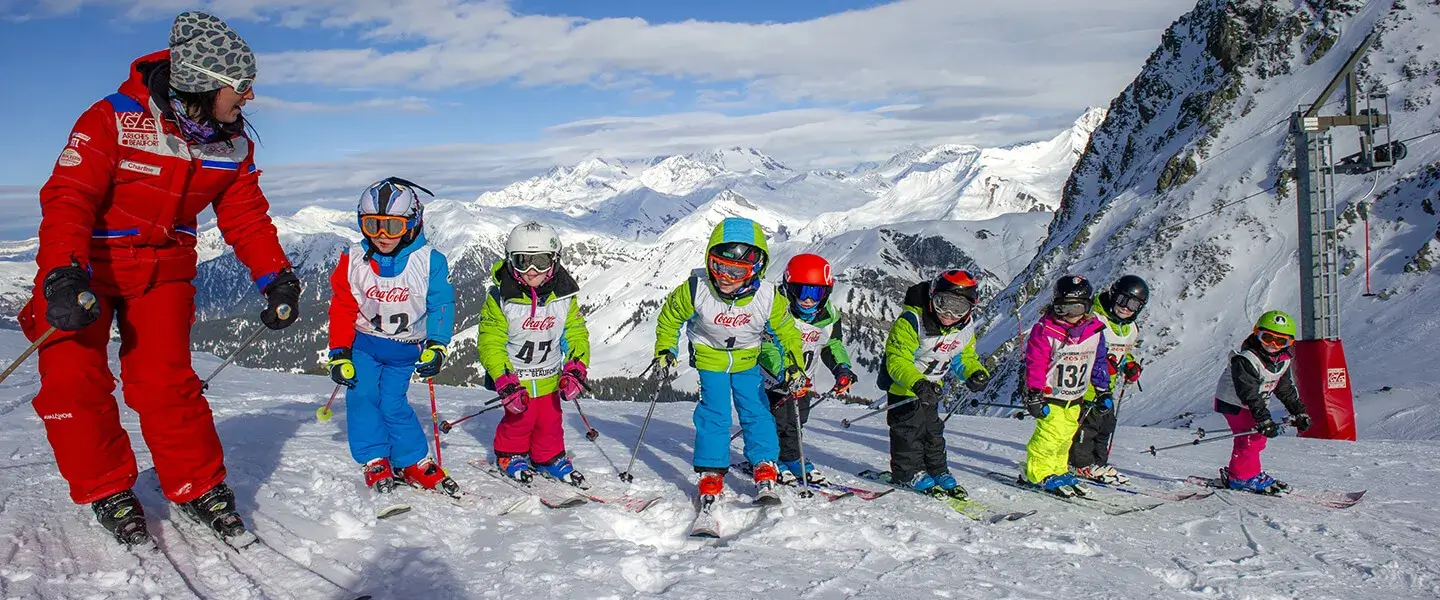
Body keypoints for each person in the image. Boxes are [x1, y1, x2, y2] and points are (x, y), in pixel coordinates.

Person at [17, 11, 299, 548]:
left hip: (162, 272)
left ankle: (197, 484)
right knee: (71, 379)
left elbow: (244, 217)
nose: (251, 97)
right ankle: (105, 485)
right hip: (86, 268)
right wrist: (60, 274)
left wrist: (275, 276)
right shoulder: (113, 119)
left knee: (165, 380)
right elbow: (69, 198)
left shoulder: (231, 143)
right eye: (240, 86)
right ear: (201, 85)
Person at [653, 217, 805, 504]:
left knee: (756, 409)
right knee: (715, 412)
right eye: (719, 267)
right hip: (710, 358)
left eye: (737, 271)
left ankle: (764, 463)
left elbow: (787, 332)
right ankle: (711, 469)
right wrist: (665, 350)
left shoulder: (767, 297)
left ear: (756, 269)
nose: (725, 277)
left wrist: (793, 364)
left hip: (748, 359)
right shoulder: (696, 289)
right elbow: (670, 318)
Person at [327, 177, 458, 501]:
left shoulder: (428, 261)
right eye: (373, 225)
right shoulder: (353, 259)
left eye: (393, 227)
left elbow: (440, 303)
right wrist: (340, 352)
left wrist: (437, 344)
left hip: (404, 349)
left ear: (412, 224)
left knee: (393, 402)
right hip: (365, 345)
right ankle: (374, 457)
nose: (383, 236)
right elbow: (343, 306)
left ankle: (411, 459)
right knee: (363, 396)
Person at [478, 221, 591, 487]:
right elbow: (490, 342)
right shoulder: (501, 299)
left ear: (554, 261)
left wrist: (576, 367)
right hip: (516, 377)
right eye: (522, 261)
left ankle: (548, 456)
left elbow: (575, 333)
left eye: (540, 261)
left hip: (550, 374)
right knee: (520, 419)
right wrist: (504, 380)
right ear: (510, 262)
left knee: (550, 420)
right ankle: (510, 453)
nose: (531, 271)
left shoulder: (564, 297)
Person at [878, 269, 990, 497]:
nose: (949, 314)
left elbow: (963, 357)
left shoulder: (964, 329)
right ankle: (908, 472)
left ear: (970, 309)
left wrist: (974, 372)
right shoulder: (912, 321)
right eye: (942, 304)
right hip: (905, 388)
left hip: (930, 389)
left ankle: (937, 469)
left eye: (958, 308)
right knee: (909, 431)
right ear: (931, 299)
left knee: (933, 430)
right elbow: (897, 360)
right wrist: (918, 384)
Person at [757, 253, 857, 485]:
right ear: (789, 288)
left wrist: (842, 369)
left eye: (816, 293)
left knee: (797, 419)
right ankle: (772, 459)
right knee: (775, 420)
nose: (808, 301)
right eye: (802, 292)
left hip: (804, 382)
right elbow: (768, 348)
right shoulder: (776, 310)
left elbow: (832, 345)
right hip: (774, 380)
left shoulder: (829, 316)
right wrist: (786, 372)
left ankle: (792, 458)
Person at [1018, 275, 1111, 498]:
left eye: (1076, 308)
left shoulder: (1095, 331)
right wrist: (1034, 392)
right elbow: (1036, 364)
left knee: (1065, 436)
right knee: (1049, 436)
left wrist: (1102, 389)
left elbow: (1099, 362)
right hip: (1052, 395)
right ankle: (1037, 472)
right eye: (1062, 309)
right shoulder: (1046, 330)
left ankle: (1057, 469)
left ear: (1087, 307)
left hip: (1076, 396)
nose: (1069, 315)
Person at [1210, 310, 1312, 494]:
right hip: (1234, 402)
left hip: (1251, 403)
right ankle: (1241, 477)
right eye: (1267, 338)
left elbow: (1285, 388)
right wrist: (1263, 419)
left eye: (1280, 341)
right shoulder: (1246, 360)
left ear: (1289, 343)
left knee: (1255, 437)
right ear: (1257, 334)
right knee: (1251, 437)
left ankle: (1246, 473)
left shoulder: (1282, 361)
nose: (1273, 345)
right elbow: (1248, 393)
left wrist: (1299, 412)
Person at [1069, 275, 1147, 484]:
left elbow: (1123, 352)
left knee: (1106, 425)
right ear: (1113, 295)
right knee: (1088, 426)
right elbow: (1079, 348)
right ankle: (1079, 463)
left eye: (1133, 304)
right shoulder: (1095, 318)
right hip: (1085, 385)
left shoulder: (1130, 328)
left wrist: (1128, 365)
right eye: (1122, 300)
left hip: (1106, 387)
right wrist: (1101, 363)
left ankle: (1098, 463)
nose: (1125, 308)